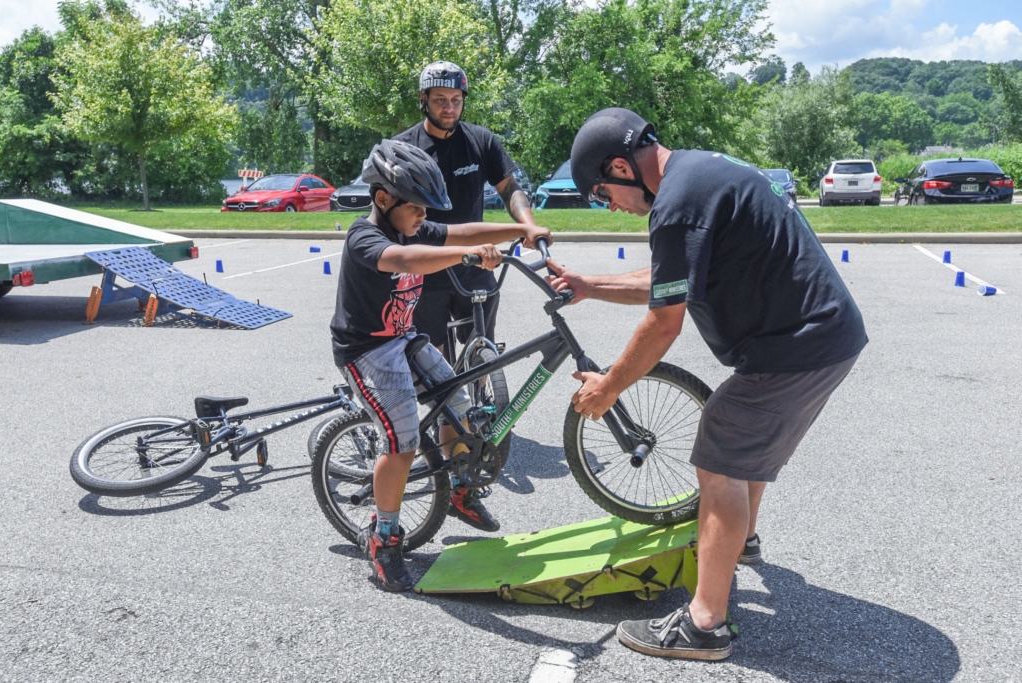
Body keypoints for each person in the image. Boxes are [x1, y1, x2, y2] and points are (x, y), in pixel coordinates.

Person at [548, 108, 867, 659]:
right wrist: (589, 285)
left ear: (621, 167)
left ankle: (703, 626)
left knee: (719, 456)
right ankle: (738, 544)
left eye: (604, 194)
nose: (612, 207)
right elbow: (671, 279)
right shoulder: (696, 175)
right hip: (823, 338)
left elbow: (663, 319)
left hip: (797, 346)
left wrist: (610, 387)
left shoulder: (676, 203)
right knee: (742, 451)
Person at [329, 139, 549, 591]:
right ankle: (384, 536)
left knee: (460, 403)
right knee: (403, 439)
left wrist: (519, 231)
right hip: (367, 350)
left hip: (405, 338)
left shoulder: (413, 226)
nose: (424, 218)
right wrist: (467, 256)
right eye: (417, 208)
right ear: (383, 199)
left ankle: (459, 491)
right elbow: (404, 261)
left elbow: (462, 231)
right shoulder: (364, 237)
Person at [393, 60, 542, 533]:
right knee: (437, 365)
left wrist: (528, 223)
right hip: (432, 267)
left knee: (480, 358)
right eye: (440, 101)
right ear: (424, 101)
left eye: (456, 100)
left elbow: (509, 188)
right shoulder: (405, 145)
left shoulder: (482, 141)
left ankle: (466, 437)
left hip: (479, 264)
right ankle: (445, 441)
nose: (449, 108)